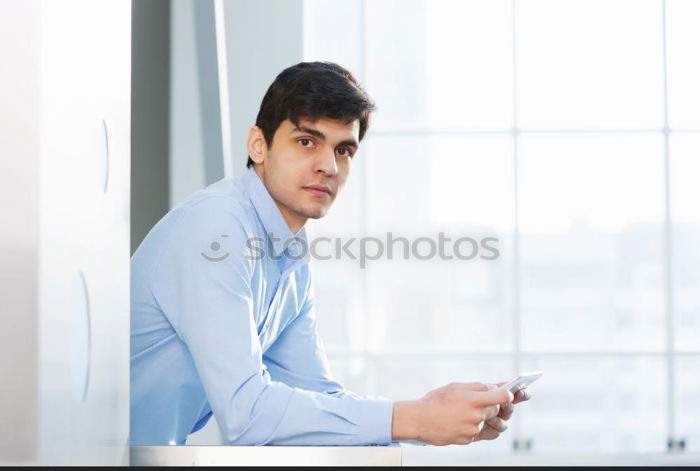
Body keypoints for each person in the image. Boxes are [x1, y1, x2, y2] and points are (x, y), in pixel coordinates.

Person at [130, 61, 531, 446]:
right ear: (258, 145)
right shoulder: (216, 228)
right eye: (307, 142)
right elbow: (246, 413)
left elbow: (319, 396)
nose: (329, 166)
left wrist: (438, 413)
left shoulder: (289, 257)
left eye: (344, 151)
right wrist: (415, 419)